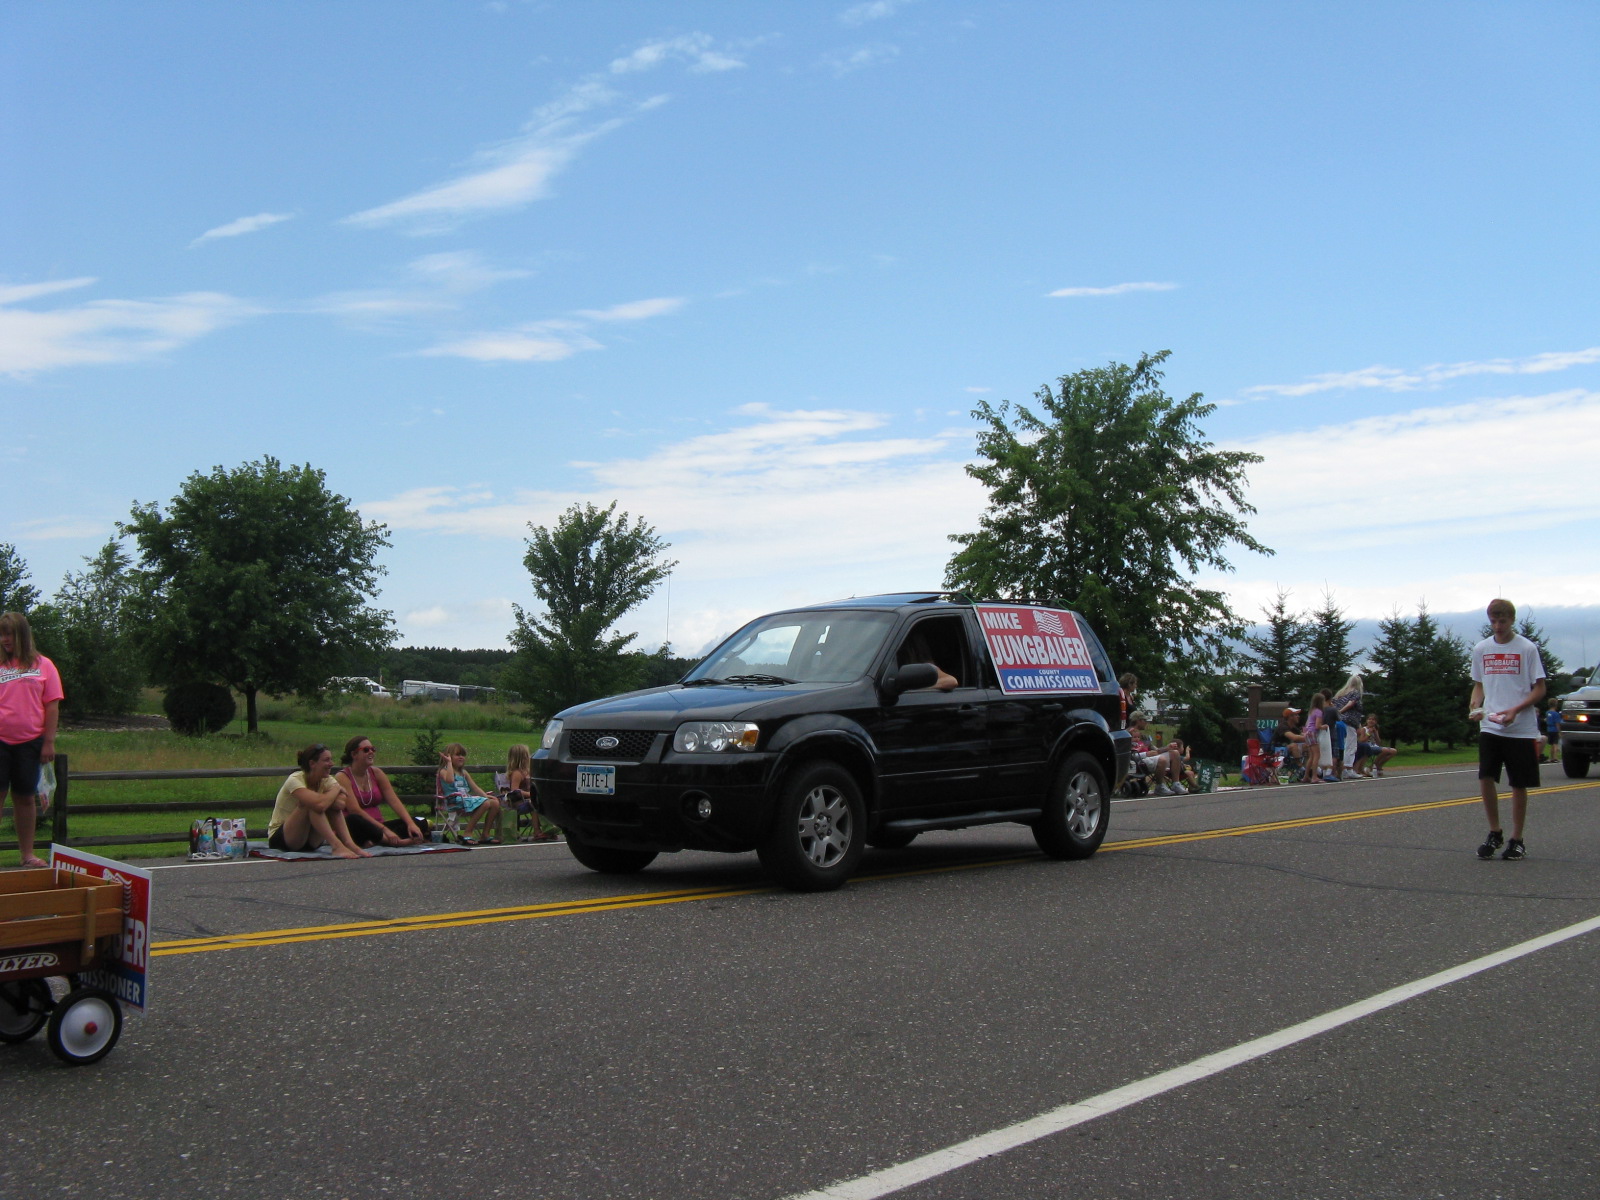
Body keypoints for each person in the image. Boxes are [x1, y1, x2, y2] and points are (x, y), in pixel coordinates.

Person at [1470, 598, 1546, 861]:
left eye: (1502, 621)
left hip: (1520, 727)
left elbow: (1540, 688)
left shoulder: (1526, 648)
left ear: (1511, 619)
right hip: (1491, 724)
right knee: (1486, 776)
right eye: (1493, 621)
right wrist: (1475, 702)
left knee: (1518, 783)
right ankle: (1494, 831)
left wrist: (1516, 710)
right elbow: (1479, 684)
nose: (1498, 626)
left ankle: (1517, 839)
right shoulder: (1482, 649)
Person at [0, 612, 62, 869]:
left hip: (30, 743)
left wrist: (48, 742)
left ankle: (27, 854)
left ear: (22, 635)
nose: (5, 640)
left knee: (25, 798)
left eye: (9, 634)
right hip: (0, 741)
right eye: (1, 634)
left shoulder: (43, 665)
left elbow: (52, 705)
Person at [268, 744, 371, 858]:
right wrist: (336, 789)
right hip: (284, 839)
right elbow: (319, 805)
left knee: (327, 805)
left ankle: (349, 844)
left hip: (310, 840)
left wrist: (327, 798)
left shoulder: (326, 780)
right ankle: (336, 846)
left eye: (331, 759)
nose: (331, 764)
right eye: (327, 760)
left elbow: (340, 804)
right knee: (310, 804)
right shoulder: (295, 779)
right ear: (312, 763)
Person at [337, 736, 428, 847]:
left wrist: (410, 823)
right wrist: (385, 830)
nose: (371, 752)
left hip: (379, 825)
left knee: (421, 821)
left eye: (373, 749)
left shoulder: (377, 773)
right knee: (353, 820)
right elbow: (354, 810)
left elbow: (394, 801)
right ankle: (396, 842)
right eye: (366, 750)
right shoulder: (343, 777)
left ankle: (375, 841)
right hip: (361, 826)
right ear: (354, 754)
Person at [438, 743, 502, 844]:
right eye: (457, 755)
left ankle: (485, 834)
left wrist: (486, 797)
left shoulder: (463, 773)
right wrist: (449, 763)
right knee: (485, 803)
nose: (461, 757)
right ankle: (467, 832)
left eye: (462, 755)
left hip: (466, 799)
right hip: (453, 801)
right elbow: (449, 780)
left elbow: (475, 788)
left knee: (494, 803)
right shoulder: (443, 771)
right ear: (448, 756)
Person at [502, 743, 555, 842]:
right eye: (527, 755)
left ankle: (549, 828)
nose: (530, 757)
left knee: (543, 801)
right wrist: (530, 795)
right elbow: (515, 791)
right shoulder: (517, 773)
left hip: (528, 800)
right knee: (534, 803)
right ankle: (536, 831)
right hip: (518, 802)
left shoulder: (528, 771)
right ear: (522, 758)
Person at [1332, 674, 1365, 781]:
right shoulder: (1355, 692)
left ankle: (1342, 768)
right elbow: (1351, 704)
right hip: (1349, 721)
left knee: (1342, 744)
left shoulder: (1341, 693)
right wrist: (1341, 712)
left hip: (1339, 722)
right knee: (1351, 746)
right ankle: (1348, 768)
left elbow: (1332, 704)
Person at [1544, 699, 1562, 763]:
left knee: (1551, 744)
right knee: (1555, 744)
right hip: (1554, 730)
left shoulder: (1547, 712)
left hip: (1549, 729)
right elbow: (1557, 723)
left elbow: (1546, 720)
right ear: (1556, 704)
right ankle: (1555, 757)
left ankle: (1551, 757)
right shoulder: (1556, 714)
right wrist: (1559, 731)